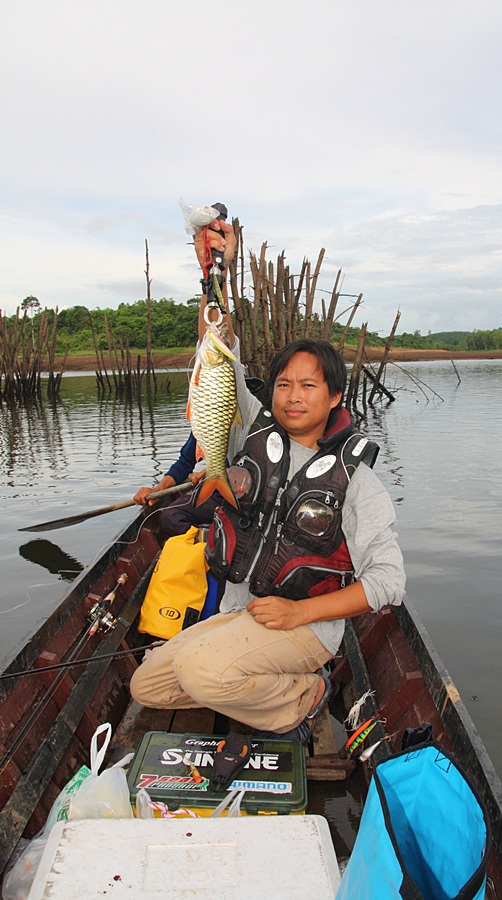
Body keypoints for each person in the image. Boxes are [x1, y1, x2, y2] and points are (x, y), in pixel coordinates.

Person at [130, 218, 406, 742]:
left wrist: (299, 610)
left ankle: (304, 698)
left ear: (335, 399)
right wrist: (215, 274)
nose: (293, 396)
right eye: (283, 384)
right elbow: (218, 347)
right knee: (148, 686)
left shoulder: (357, 478)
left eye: (308, 385)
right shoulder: (249, 426)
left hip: (305, 626)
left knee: (200, 673)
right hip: (242, 613)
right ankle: (248, 670)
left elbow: (388, 582)